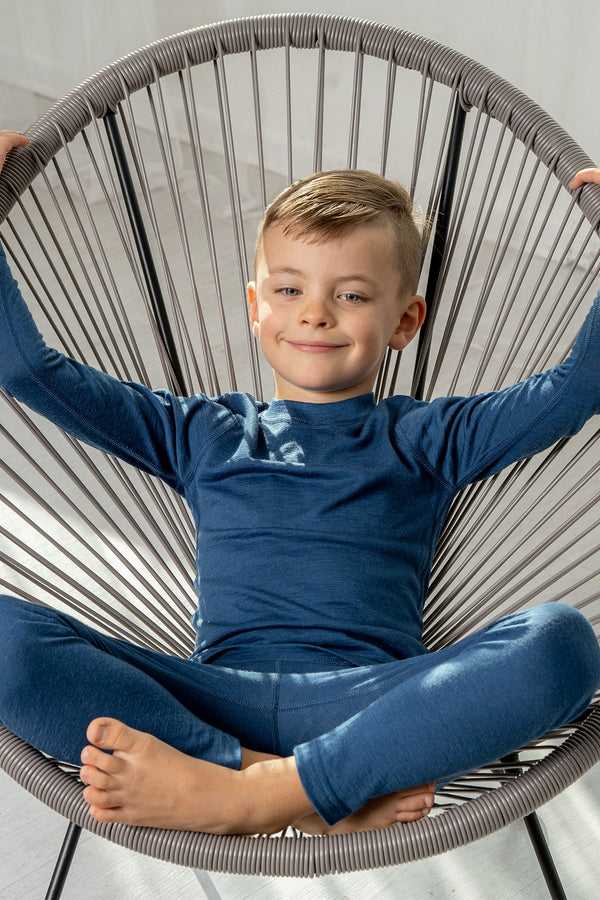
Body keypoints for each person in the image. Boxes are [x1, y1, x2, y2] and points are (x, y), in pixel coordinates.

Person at [0, 129, 599, 837]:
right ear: (257, 306)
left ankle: (258, 794)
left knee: (561, 642)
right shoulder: (204, 431)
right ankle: (266, 779)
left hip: (374, 709)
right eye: (289, 289)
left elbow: (574, 390)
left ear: (404, 320)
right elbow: (27, 369)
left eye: (350, 294)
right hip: (209, 702)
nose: (314, 312)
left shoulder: (426, 437)